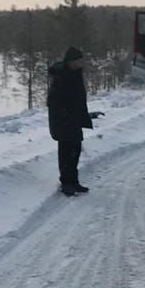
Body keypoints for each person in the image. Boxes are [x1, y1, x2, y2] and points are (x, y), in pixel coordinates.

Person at [48, 47, 94, 196]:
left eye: (82, 60)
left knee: (75, 152)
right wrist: (65, 114)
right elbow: (53, 101)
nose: (81, 62)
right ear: (71, 61)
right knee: (66, 153)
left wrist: (82, 115)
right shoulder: (62, 76)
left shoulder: (76, 73)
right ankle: (66, 183)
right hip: (64, 121)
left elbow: (78, 97)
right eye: (79, 60)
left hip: (74, 120)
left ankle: (74, 181)